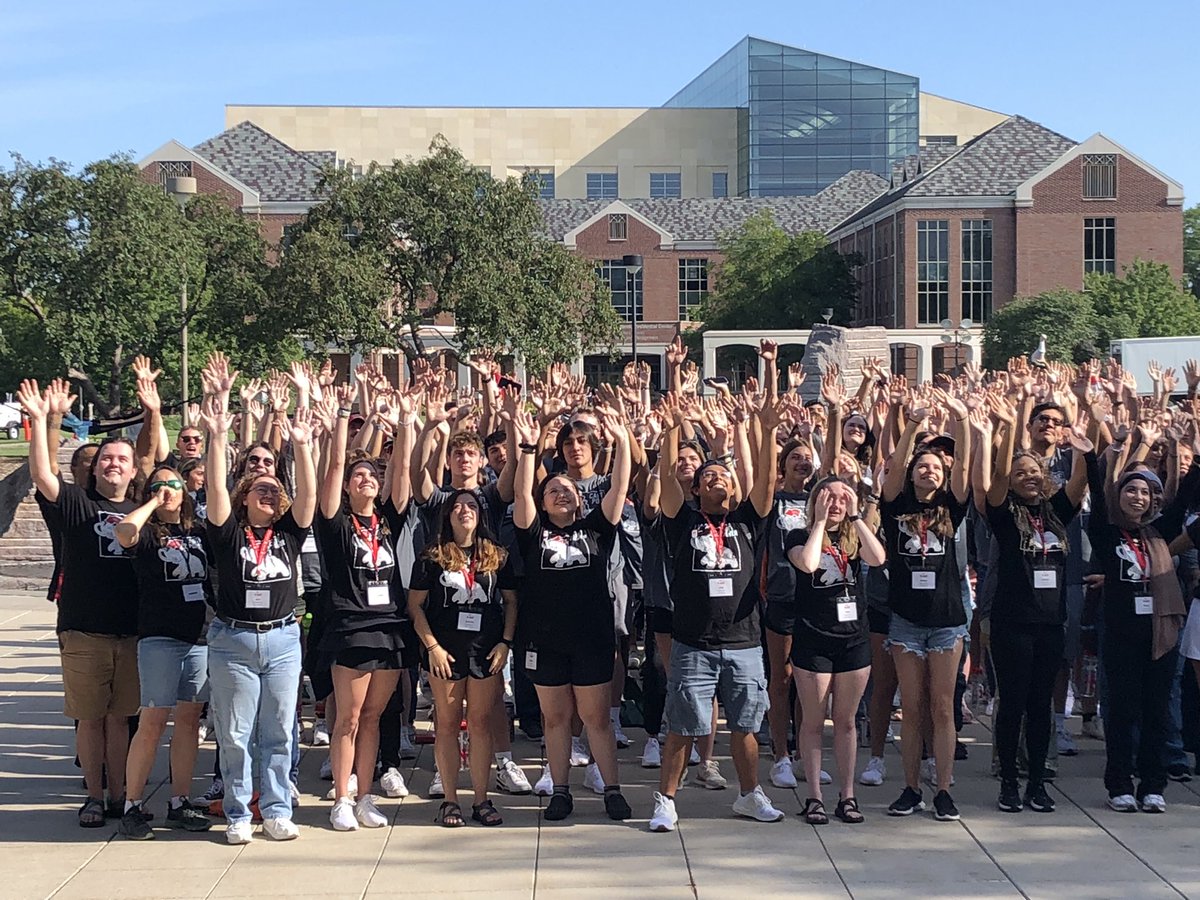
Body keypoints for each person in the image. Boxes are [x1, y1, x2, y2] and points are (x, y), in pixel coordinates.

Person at [648, 393, 787, 833]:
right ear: (696, 490)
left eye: (722, 475)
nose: (715, 480)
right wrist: (672, 428)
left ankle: (749, 795)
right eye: (707, 477)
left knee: (745, 727)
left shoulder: (750, 519)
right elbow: (669, 479)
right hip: (694, 642)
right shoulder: (682, 521)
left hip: (744, 641)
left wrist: (765, 432)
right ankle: (666, 800)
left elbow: (766, 481)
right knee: (683, 726)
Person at [199, 353, 315, 844]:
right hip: (233, 642)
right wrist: (220, 431)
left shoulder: (288, 533)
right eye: (260, 488)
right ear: (245, 495)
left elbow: (308, 496)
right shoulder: (228, 534)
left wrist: (304, 447)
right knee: (236, 734)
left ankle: (277, 808)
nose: (269, 492)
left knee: (279, 733)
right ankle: (239, 812)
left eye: (275, 488)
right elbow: (216, 491)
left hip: (284, 639)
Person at [18, 377, 141, 828]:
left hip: (131, 630)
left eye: (121, 460)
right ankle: (93, 795)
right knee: (90, 719)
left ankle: (120, 794)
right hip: (84, 629)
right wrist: (44, 419)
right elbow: (43, 474)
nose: (113, 464)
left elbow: (157, 460)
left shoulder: (141, 507)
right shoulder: (75, 502)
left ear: (132, 471)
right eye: (106, 458)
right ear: (94, 468)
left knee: (120, 719)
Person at [510, 406, 632, 822]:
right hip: (545, 639)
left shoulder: (596, 528)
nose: (561, 493)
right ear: (543, 503)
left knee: (596, 717)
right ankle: (560, 790)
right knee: (556, 717)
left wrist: (621, 442)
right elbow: (522, 494)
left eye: (568, 490)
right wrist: (529, 448)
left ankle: (612, 788)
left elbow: (618, 486)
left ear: (580, 499)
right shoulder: (533, 531)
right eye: (553, 491)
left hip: (592, 638)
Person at [975, 398, 1090, 814]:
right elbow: (998, 479)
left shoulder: (1056, 512)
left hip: (1049, 622)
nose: (1027, 478)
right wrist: (1007, 428)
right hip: (1011, 622)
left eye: (1034, 473)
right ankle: (1009, 781)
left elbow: (1079, 486)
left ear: (1045, 478)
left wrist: (1080, 446)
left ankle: (1038, 783)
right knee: (1014, 703)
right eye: (1021, 473)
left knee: (1041, 706)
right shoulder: (1005, 514)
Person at [318, 383, 415, 831]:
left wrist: (405, 422)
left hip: (390, 626)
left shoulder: (388, 520)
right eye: (359, 476)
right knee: (349, 717)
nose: (366, 479)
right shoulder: (336, 522)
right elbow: (336, 464)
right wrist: (343, 415)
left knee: (376, 717)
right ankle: (341, 797)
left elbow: (402, 469)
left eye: (371, 476)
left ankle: (366, 794)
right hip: (351, 626)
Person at [1089, 427, 1197, 813]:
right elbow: (1099, 500)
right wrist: (1098, 457)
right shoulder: (1106, 532)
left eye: (1146, 492)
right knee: (1121, 711)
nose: (1139, 497)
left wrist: (1189, 448)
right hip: (1120, 634)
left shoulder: (1160, 532)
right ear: (1119, 496)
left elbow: (1183, 498)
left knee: (1157, 711)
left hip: (1161, 634)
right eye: (1131, 490)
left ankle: (1153, 784)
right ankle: (1119, 783)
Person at [880, 394, 972, 822]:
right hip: (906, 620)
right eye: (922, 466)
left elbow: (966, 470)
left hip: (946, 622)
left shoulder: (951, 507)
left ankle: (944, 789)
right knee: (912, 708)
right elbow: (894, 469)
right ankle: (911, 787)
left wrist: (962, 421)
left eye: (935, 466)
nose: (927, 470)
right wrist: (912, 426)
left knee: (942, 706)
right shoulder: (896, 506)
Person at [114, 461, 214, 838]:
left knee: (189, 721)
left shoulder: (199, 530)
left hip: (199, 637)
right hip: (160, 636)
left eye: (174, 483)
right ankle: (133, 804)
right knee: (153, 720)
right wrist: (153, 503)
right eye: (159, 484)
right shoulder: (147, 531)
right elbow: (124, 531)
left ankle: (180, 801)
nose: (169, 489)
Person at [408, 489, 518, 826]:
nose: (463, 510)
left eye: (470, 505)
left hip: (486, 651)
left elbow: (511, 602)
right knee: (447, 724)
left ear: (480, 514)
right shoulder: (431, 556)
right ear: (447, 516)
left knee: (482, 724)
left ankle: (482, 799)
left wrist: (505, 643)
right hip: (445, 653)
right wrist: (432, 647)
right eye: (456, 506)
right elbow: (414, 606)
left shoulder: (496, 555)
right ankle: (451, 800)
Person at [787, 476, 886, 824]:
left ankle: (847, 794)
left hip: (853, 639)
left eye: (842, 498)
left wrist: (857, 516)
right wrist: (817, 521)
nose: (836, 504)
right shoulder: (799, 535)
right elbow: (810, 564)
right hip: (814, 639)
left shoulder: (855, 537)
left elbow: (877, 559)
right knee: (813, 721)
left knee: (846, 722)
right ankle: (814, 795)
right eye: (828, 497)